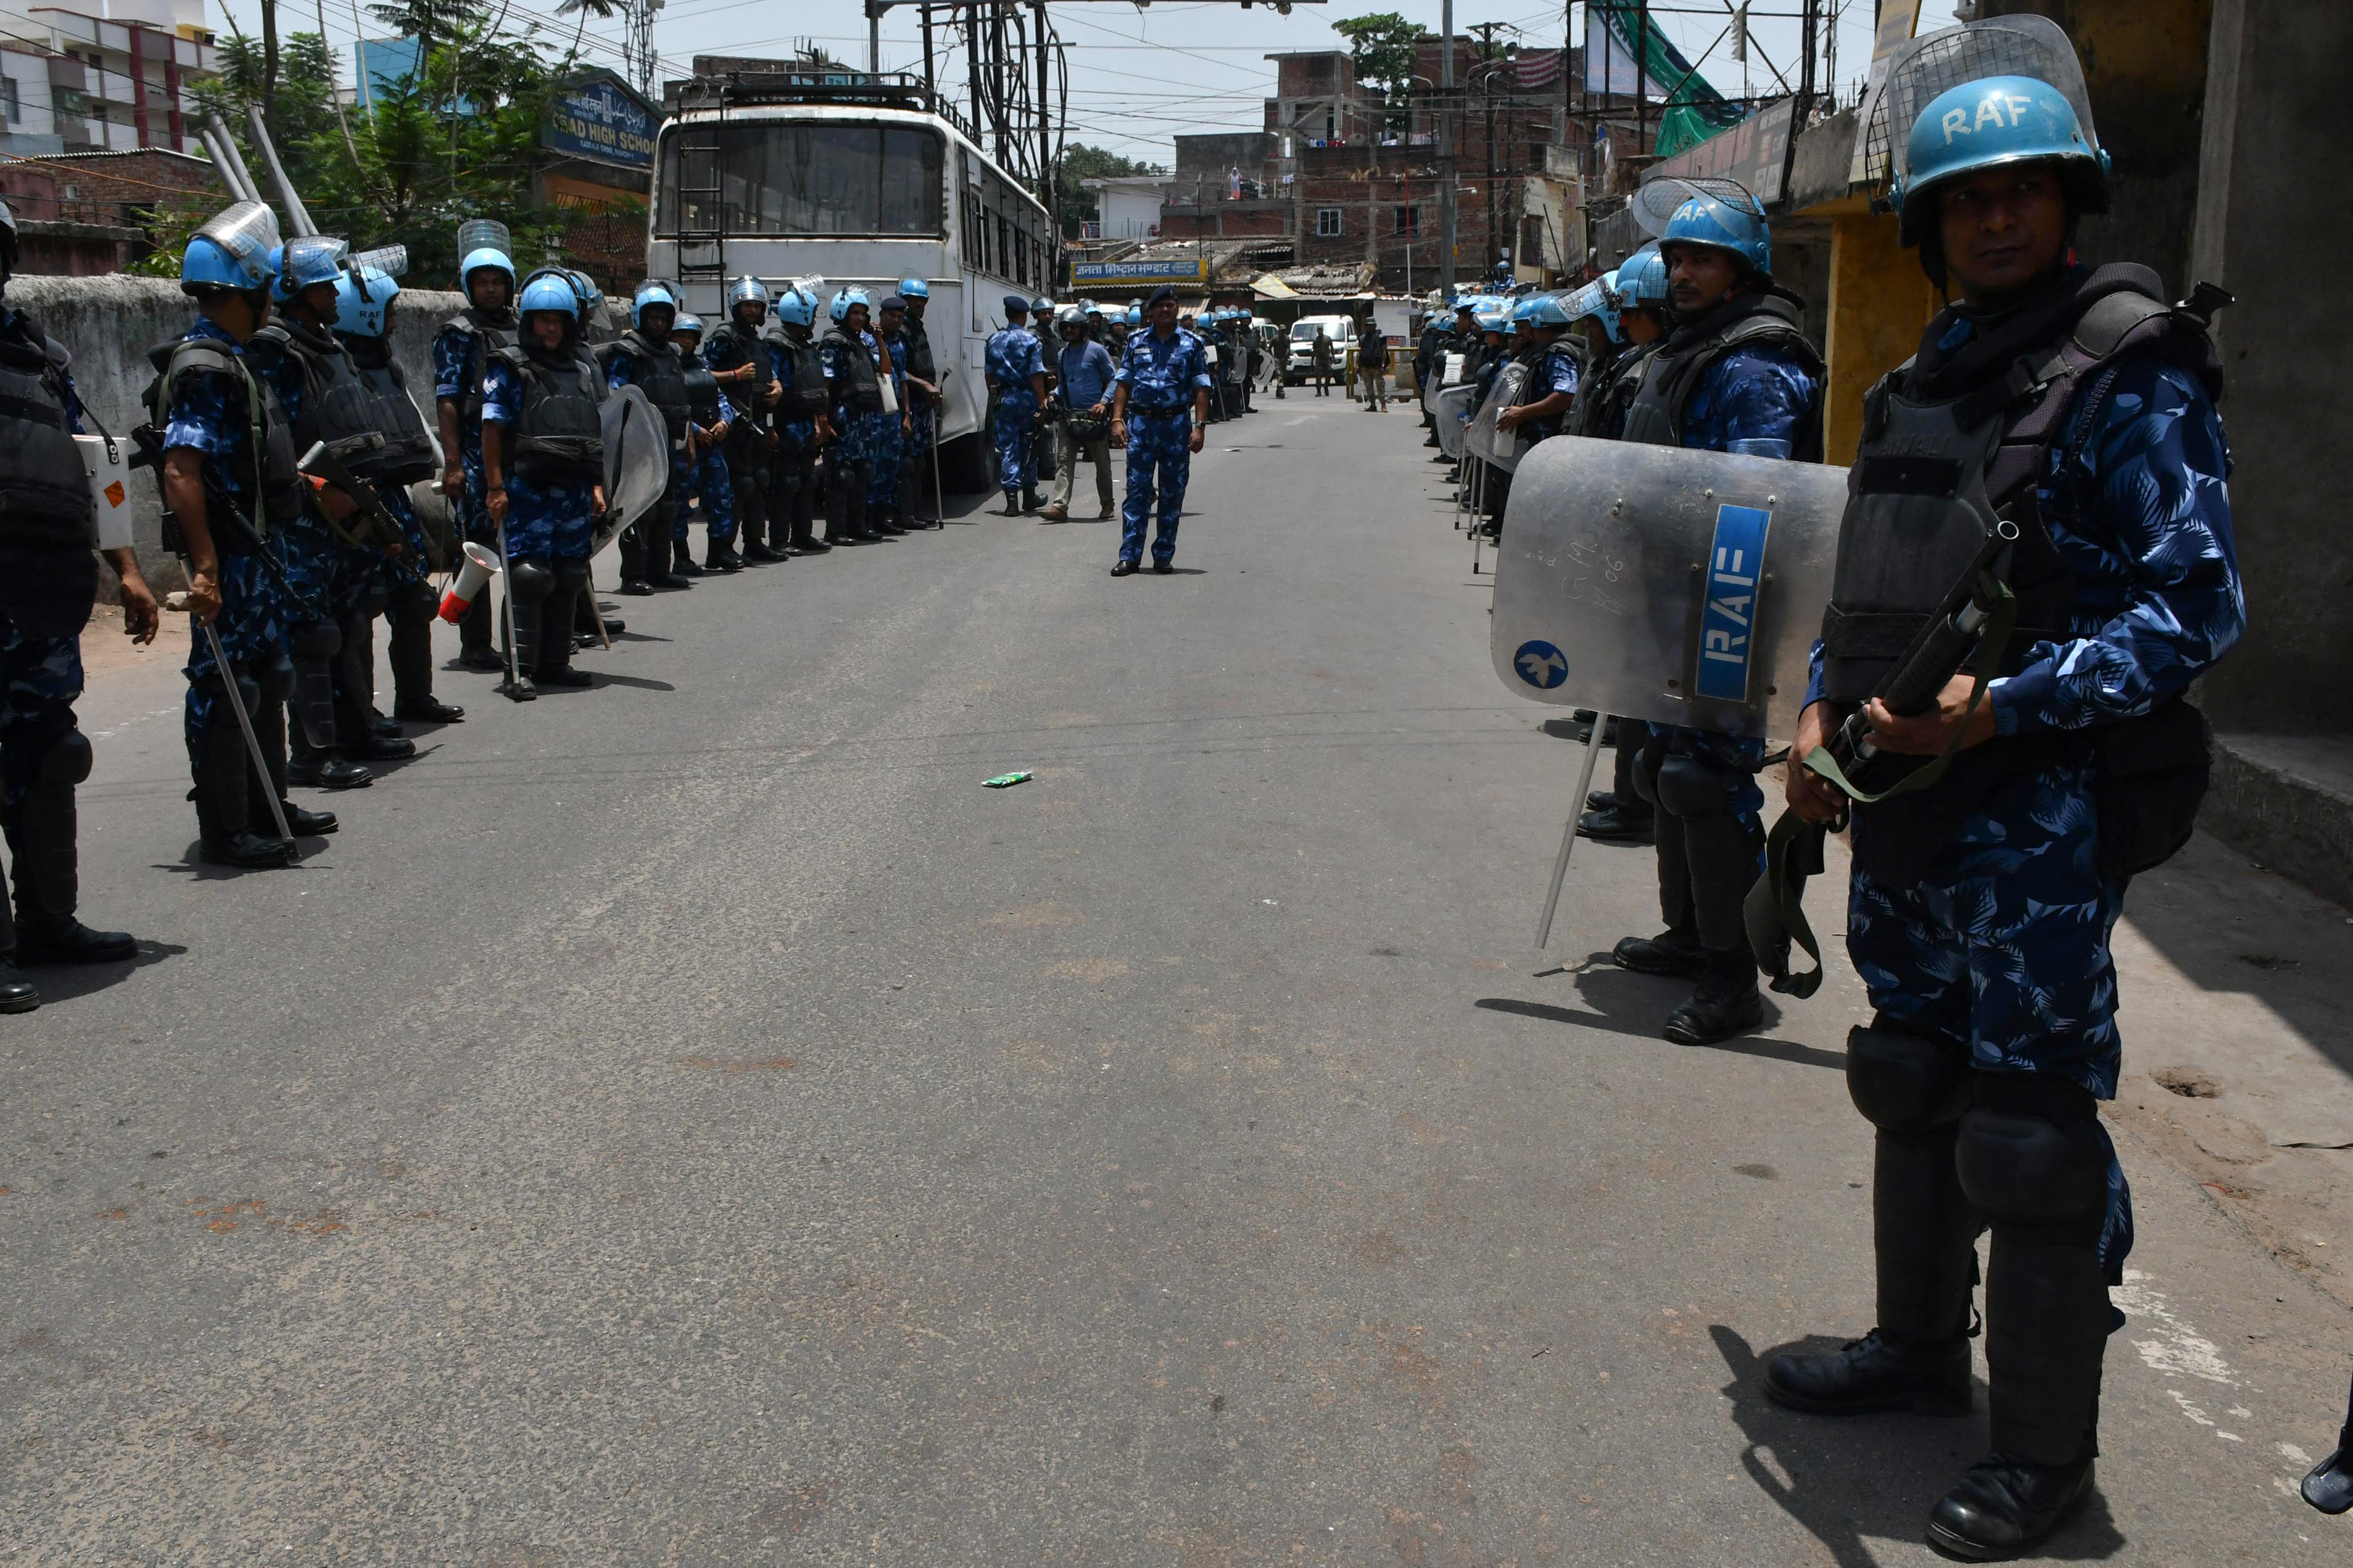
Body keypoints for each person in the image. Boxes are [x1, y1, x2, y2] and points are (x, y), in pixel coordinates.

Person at [1761, 68, 2241, 1561]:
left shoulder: (2126, 370)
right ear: (1925, 223)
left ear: (2069, 200)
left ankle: (2042, 1460)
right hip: (1901, 798)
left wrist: (1999, 708)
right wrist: (1816, 717)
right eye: (1965, 196)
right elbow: (1872, 584)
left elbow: (2195, 607)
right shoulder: (1925, 376)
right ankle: (1915, 1354)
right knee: (1907, 1074)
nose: (1993, 215)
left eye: (2021, 189)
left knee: (2026, 1137)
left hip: (2030, 810)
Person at [1613, 184, 1824, 1047]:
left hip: (1727, 597)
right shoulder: (1692, 349)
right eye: (1675, 258)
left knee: (1705, 782)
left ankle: (1731, 976)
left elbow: (1752, 502)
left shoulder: (1755, 364)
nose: (1683, 272)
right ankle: (1689, 935)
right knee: (1662, 769)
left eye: (1702, 258)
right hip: (1674, 596)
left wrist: (1719, 609)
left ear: (1741, 270)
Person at [155, 202, 338, 869]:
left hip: (259, 554)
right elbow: (182, 467)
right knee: (226, 689)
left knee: (271, 676)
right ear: (252, 293)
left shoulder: (238, 359)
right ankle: (225, 828)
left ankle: (267, 803)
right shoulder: (205, 366)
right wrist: (204, 567)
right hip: (229, 560)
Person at [0, 196, 151, 1007]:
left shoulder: (40, 357)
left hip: (38, 586)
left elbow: (94, 468)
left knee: (51, 754)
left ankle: (48, 924)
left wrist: (125, 567)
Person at [249, 236, 411, 791]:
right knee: (314, 634)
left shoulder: (326, 344)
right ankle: (314, 754)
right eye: (322, 285)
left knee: (352, 622)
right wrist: (322, 489)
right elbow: (282, 442)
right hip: (309, 517)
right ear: (293, 291)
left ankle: (355, 729)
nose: (333, 291)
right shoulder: (277, 349)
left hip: (348, 510)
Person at [330, 264, 463, 729]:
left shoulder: (388, 366)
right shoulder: (333, 367)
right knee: (361, 608)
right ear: (364, 313)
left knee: (414, 600)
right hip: (356, 502)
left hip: (394, 497)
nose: (393, 320)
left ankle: (415, 697)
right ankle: (362, 713)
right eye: (387, 311)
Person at [1574, 247, 1668, 849]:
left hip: (1660, 552)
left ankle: (1640, 801)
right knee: (1628, 681)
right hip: (1626, 535)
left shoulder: (1653, 368)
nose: (1620, 326)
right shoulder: (1641, 366)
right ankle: (1630, 790)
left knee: (1645, 688)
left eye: (1630, 315)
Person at [479, 273, 608, 698]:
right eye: (542, 320)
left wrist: (596, 486)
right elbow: (492, 428)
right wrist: (496, 487)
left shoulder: (581, 369)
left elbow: (593, 432)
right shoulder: (509, 365)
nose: (550, 328)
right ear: (528, 323)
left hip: (573, 487)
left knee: (570, 575)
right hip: (528, 489)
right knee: (530, 578)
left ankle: (556, 662)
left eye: (558, 320)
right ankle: (519, 669)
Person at [434, 243, 517, 673]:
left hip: (514, 450)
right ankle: (475, 642)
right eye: (482, 282)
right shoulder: (458, 333)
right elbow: (447, 399)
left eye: (497, 281)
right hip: (472, 450)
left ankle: (524, 640)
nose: (490, 289)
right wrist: (453, 463)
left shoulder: (521, 327)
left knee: (518, 549)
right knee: (479, 551)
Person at [1108, 284, 1210, 577]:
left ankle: (1164, 554)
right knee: (1137, 492)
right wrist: (1117, 419)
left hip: (1176, 426)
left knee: (1172, 493)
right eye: (1160, 306)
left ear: (1178, 309)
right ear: (1151, 311)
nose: (1166, 310)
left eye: (1171, 305)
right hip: (1141, 426)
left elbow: (1202, 387)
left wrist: (1199, 427)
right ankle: (1129, 556)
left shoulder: (1192, 344)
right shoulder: (1136, 341)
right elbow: (1124, 383)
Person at [600, 281, 696, 592]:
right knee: (642, 509)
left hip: (672, 440)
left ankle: (659, 570)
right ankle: (634, 575)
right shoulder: (628, 352)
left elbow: (683, 399)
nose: (659, 322)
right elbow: (618, 400)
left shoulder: (672, 353)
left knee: (668, 507)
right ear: (641, 317)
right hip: (638, 444)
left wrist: (689, 439)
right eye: (653, 317)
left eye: (664, 317)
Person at [703, 275, 781, 563]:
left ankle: (754, 542)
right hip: (733, 422)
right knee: (738, 485)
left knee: (759, 481)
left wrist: (778, 386)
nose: (753, 311)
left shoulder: (757, 341)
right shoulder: (724, 337)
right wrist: (734, 375)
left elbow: (768, 374)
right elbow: (702, 374)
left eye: (757, 306)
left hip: (758, 421)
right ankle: (721, 548)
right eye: (747, 305)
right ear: (736, 306)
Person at [819, 287, 895, 543]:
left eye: (863, 313)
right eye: (855, 313)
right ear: (842, 313)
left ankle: (858, 526)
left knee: (863, 472)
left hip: (865, 419)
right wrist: (823, 420)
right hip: (843, 416)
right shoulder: (834, 341)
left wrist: (879, 339)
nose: (860, 318)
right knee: (842, 475)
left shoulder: (863, 342)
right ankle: (837, 530)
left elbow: (885, 370)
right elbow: (826, 385)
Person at [669, 313, 742, 570]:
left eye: (690, 337)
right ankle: (682, 558)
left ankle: (718, 553)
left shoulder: (702, 364)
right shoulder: (668, 367)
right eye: (680, 336)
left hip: (713, 444)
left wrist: (725, 421)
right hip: (686, 444)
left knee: (721, 499)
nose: (686, 341)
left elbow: (720, 397)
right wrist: (696, 429)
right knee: (680, 504)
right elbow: (671, 405)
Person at [767, 285, 832, 556]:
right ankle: (780, 540)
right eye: (813, 314)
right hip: (786, 423)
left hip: (806, 424)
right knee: (787, 483)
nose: (815, 320)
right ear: (802, 314)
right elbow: (770, 388)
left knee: (807, 481)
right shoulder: (777, 346)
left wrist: (819, 423)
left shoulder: (805, 347)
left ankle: (803, 535)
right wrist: (771, 428)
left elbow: (814, 386)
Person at [1039, 304, 1117, 522]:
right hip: (1069, 417)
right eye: (1065, 328)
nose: (1069, 331)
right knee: (1063, 461)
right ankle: (1060, 507)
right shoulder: (1063, 355)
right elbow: (1063, 385)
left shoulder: (1097, 351)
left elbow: (1114, 380)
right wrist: (1053, 395)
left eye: (1073, 327)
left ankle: (1107, 504)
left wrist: (1104, 402)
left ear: (1083, 328)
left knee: (1102, 464)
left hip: (1094, 417)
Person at [985, 295, 1048, 515]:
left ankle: (1012, 501)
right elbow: (1036, 375)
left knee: (1009, 449)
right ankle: (1029, 497)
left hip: (1005, 399)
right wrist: (1042, 402)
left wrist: (995, 398)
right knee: (1030, 445)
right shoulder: (1032, 341)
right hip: (1027, 398)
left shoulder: (993, 340)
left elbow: (989, 375)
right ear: (1023, 316)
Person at [894, 277, 943, 527]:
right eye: (914, 301)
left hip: (924, 403)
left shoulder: (917, 328)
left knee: (919, 461)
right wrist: (924, 386)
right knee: (907, 462)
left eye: (922, 301)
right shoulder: (901, 331)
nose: (919, 305)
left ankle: (917, 511)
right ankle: (905, 514)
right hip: (909, 403)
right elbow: (900, 370)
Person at [864, 295, 914, 536]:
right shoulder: (866, 340)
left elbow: (902, 380)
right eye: (891, 316)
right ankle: (867, 519)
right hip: (872, 413)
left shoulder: (900, 344)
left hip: (892, 414)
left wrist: (907, 415)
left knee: (890, 467)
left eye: (900, 317)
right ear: (881, 315)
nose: (895, 320)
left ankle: (884, 516)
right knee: (871, 467)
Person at [1358, 326, 1390, 410]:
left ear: (1375, 326)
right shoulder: (1363, 338)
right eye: (1368, 325)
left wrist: (1383, 364)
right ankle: (1373, 405)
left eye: (1372, 325)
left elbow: (1384, 351)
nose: (1370, 327)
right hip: (1366, 366)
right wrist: (1358, 366)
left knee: (1380, 386)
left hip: (1377, 366)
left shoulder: (1381, 337)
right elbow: (1361, 352)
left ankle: (1383, 405)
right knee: (1369, 387)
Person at [1310, 325, 1334, 396]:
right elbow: (1314, 351)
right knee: (1318, 376)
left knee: (1329, 374)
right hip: (1319, 359)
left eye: (1321, 329)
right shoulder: (1315, 340)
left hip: (1327, 359)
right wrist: (1312, 361)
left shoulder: (1328, 339)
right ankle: (1318, 391)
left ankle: (1326, 386)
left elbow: (1332, 348)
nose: (1319, 331)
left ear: (1323, 330)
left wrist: (1334, 357)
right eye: (1318, 330)